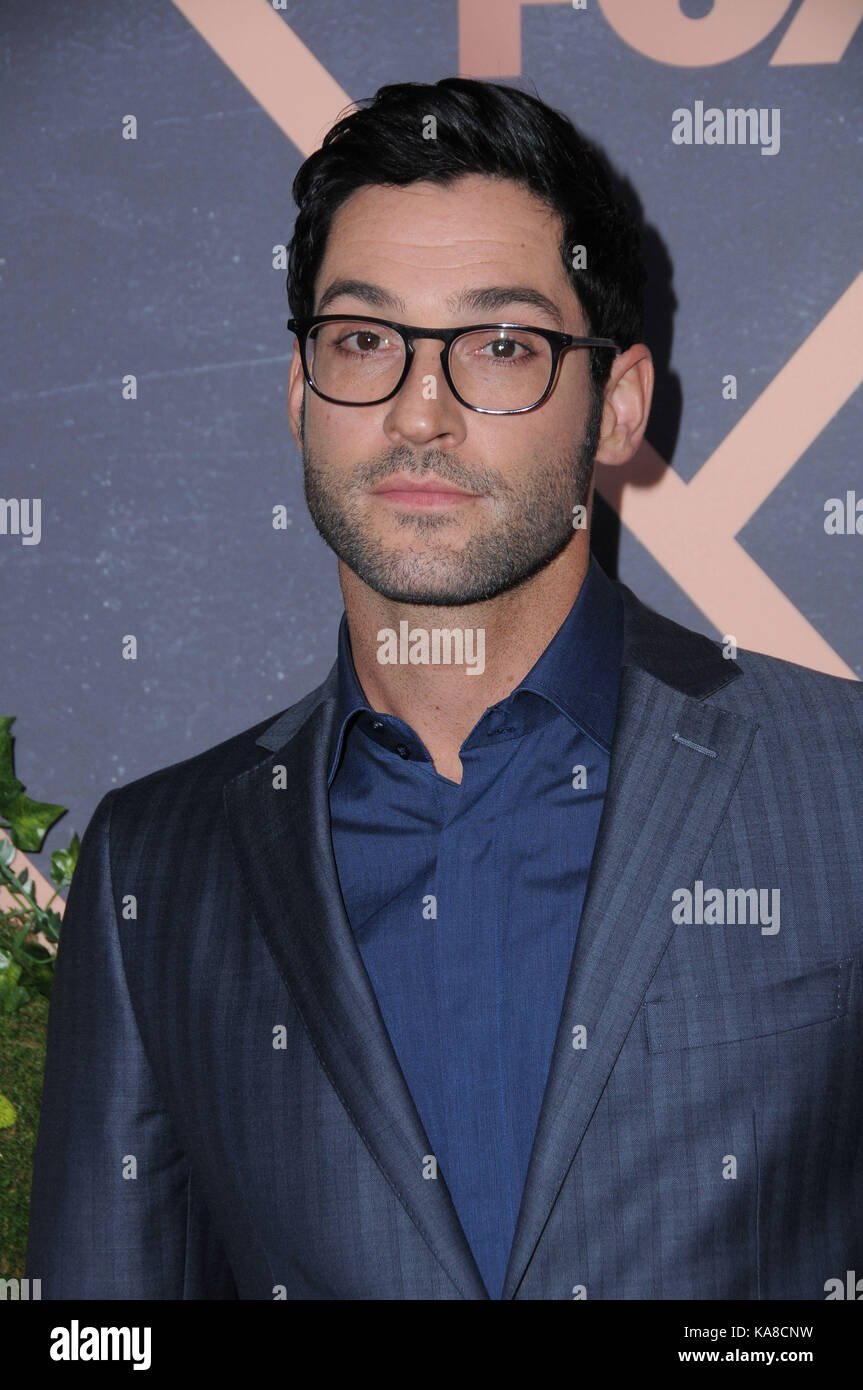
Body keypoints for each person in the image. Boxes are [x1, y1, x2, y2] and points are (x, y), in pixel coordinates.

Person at [27, 77, 862, 1301]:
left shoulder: (837, 785)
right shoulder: (155, 867)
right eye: (363, 341)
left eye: (501, 347)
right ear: (301, 393)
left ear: (616, 403)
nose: (420, 411)